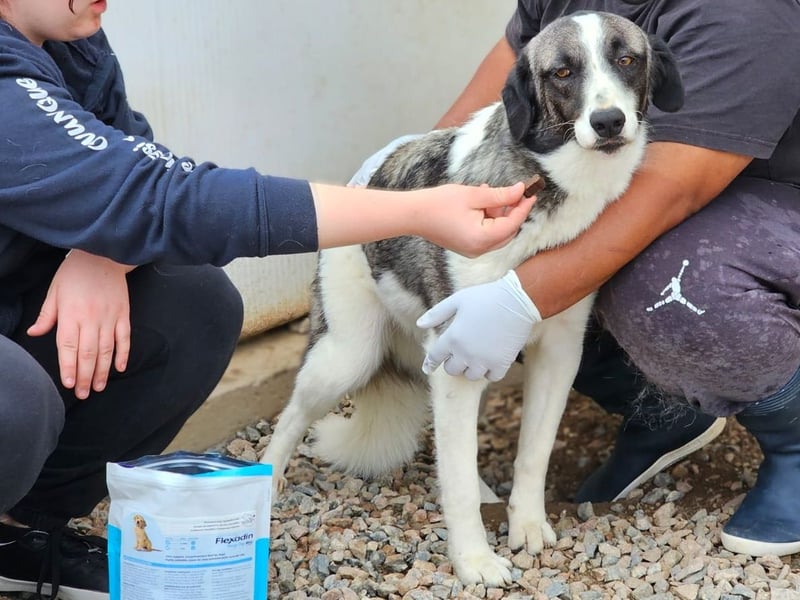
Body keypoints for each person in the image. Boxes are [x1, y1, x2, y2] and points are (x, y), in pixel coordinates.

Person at [0, 2, 538, 598]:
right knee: (12, 403)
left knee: (195, 307)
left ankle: (19, 533)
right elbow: (163, 196)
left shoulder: (72, 40)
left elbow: (129, 158)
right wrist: (414, 209)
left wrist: (103, 250)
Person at [354, 0, 800, 559]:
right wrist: (413, 185)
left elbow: (675, 188)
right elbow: (510, 81)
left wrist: (521, 297)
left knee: (669, 287)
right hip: (627, 172)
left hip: (770, 193)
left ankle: (794, 445)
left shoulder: (744, 13)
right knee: (530, 251)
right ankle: (662, 410)